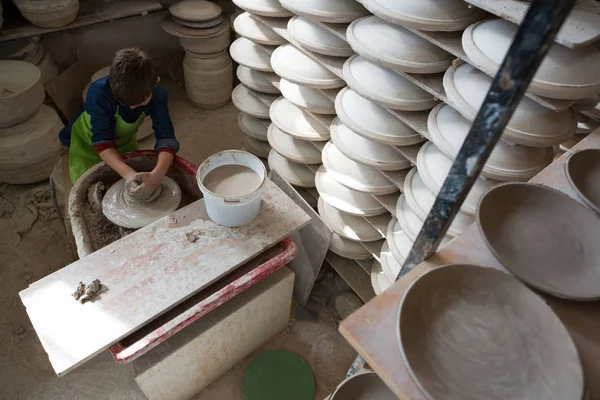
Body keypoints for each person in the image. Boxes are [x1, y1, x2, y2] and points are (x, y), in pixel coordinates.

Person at [59, 48, 179, 193]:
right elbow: (103, 142)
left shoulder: (158, 96)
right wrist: (129, 175)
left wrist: (157, 175)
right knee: (87, 189)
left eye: (140, 103)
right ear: (112, 83)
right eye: (126, 104)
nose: (133, 107)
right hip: (87, 143)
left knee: (129, 177)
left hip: (123, 142)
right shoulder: (99, 93)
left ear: (156, 83)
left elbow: (165, 137)